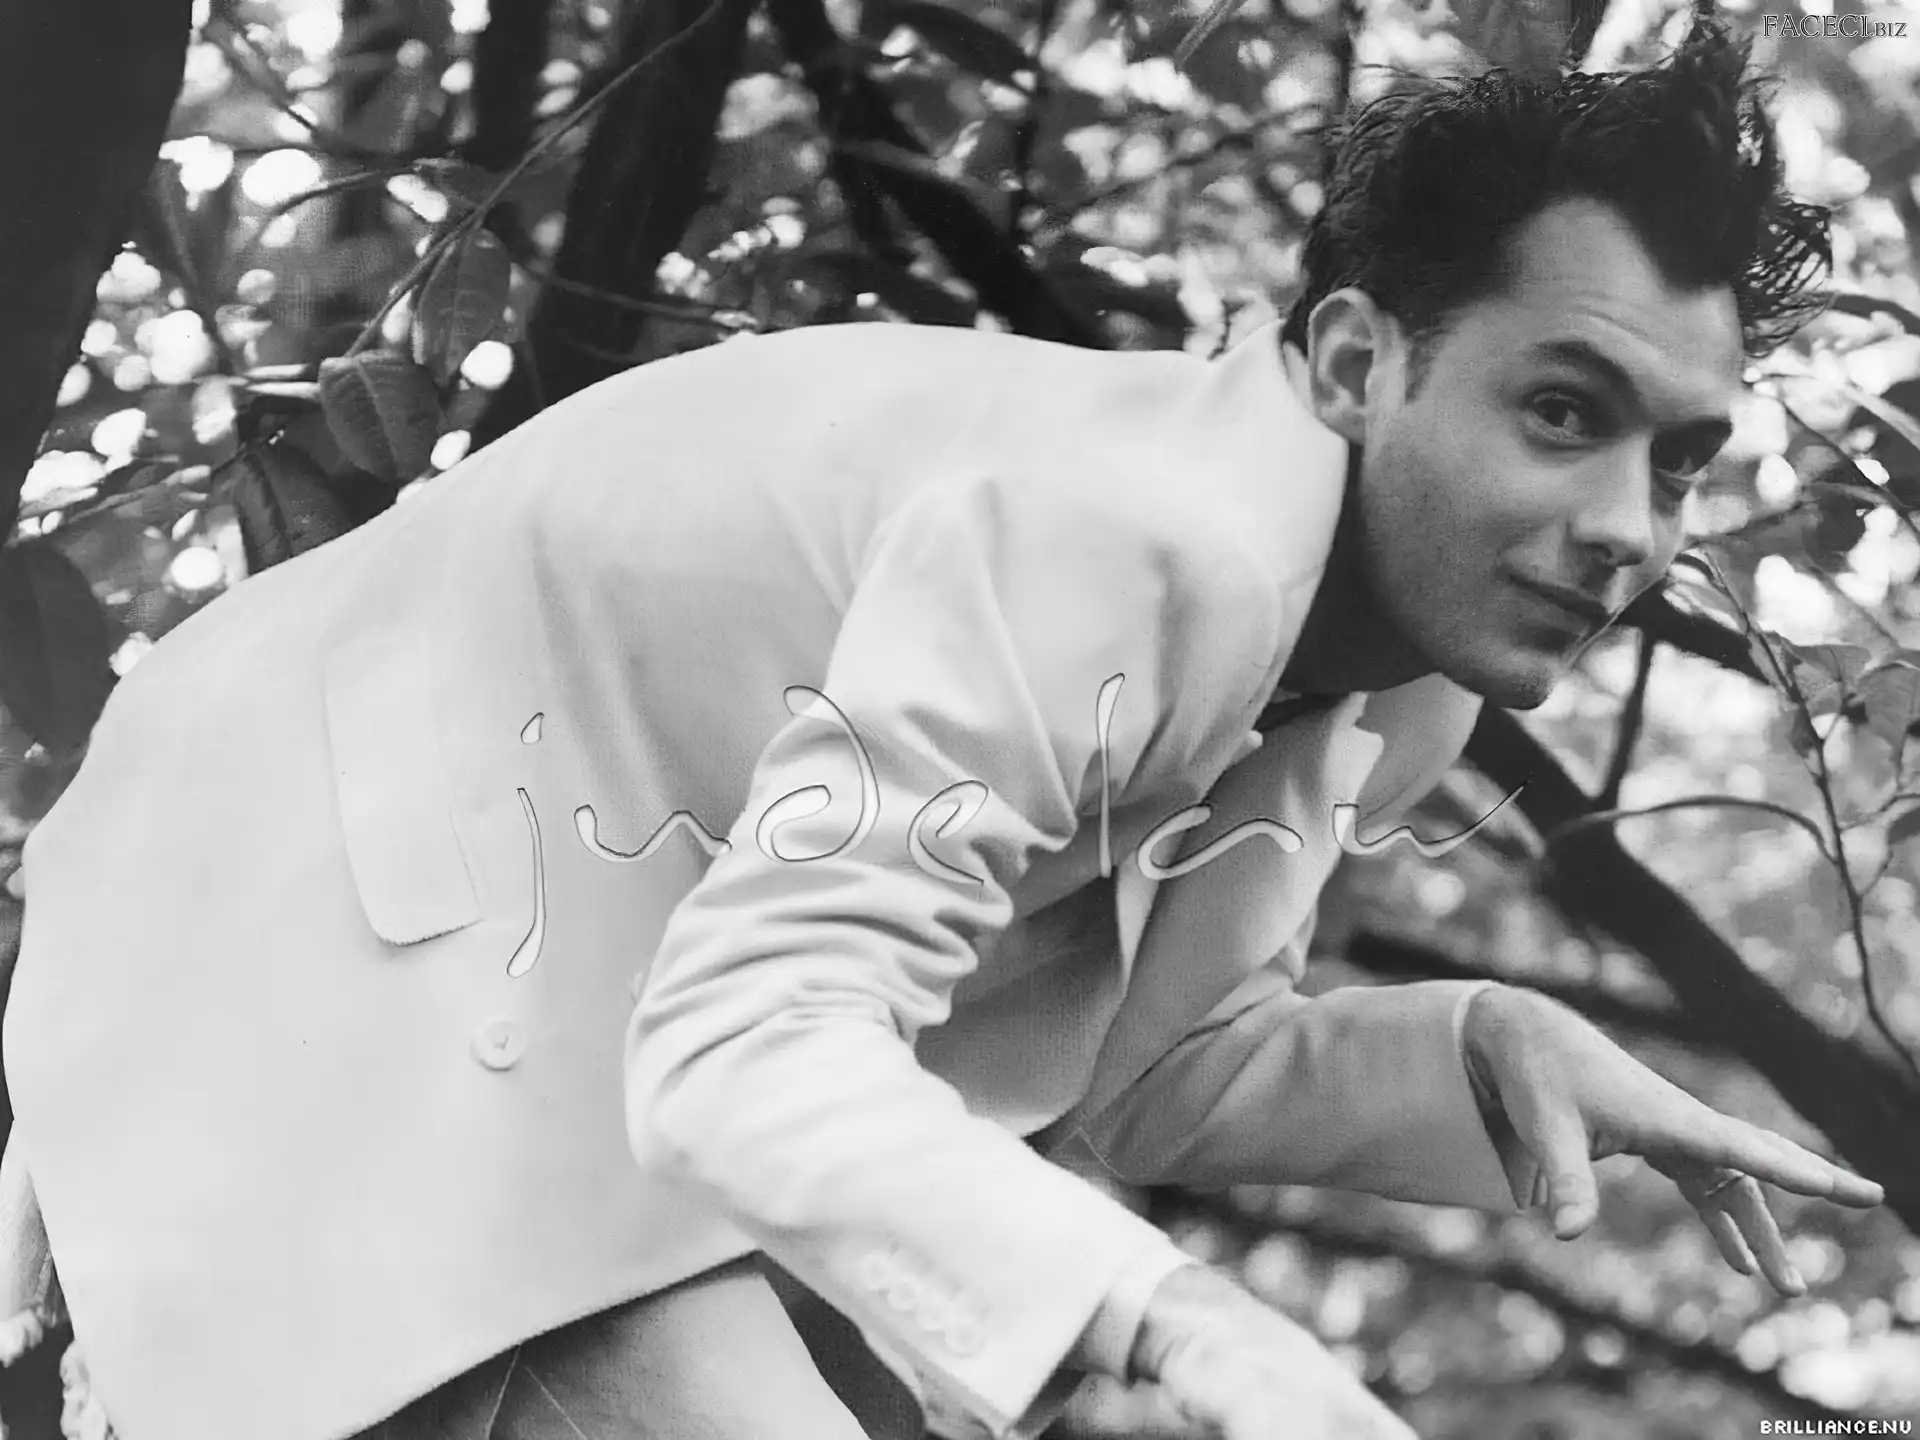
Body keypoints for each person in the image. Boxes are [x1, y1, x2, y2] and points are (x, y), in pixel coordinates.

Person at [0, 18, 1883, 1440]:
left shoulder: (1394, 683)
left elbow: (1159, 1074)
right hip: (325, 928)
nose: (1630, 528)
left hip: (569, 1023)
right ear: (1350, 361)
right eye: (1562, 413)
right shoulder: (1136, 533)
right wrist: (1192, 1330)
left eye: (1679, 460)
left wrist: (1487, 1044)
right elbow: (749, 1045)